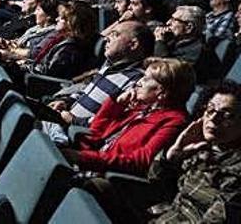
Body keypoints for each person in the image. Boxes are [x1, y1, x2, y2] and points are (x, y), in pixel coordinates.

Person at [87, 81, 241, 222]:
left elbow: (216, 220)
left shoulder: (236, 168)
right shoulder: (200, 145)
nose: (213, 118)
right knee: (95, 188)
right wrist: (171, 156)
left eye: (226, 115)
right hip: (161, 213)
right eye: (210, 110)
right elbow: (155, 181)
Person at [60, 58, 194, 176]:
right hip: (91, 160)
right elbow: (95, 135)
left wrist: (82, 158)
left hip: (109, 175)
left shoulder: (175, 121)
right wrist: (115, 104)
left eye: (146, 79)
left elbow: (140, 161)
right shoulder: (141, 107)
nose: (138, 82)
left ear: (162, 92)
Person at [46, 21, 156, 129]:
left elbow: (115, 123)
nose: (106, 38)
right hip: (64, 121)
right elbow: (86, 92)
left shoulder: (136, 81)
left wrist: (75, 121)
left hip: (77, 134)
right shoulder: (109, 66)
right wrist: (66, 102)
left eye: (115, 35)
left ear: (133, 44)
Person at [154, 5, 220, 82]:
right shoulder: (174, 41)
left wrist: (160, 41)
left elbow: (166, 72)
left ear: (189, 27)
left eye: (174, 20)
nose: (168, 22)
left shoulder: (197, 51)